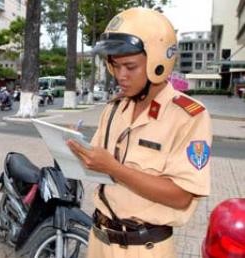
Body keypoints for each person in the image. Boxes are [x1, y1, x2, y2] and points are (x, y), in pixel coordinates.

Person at [67, 7, 212, 258]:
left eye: (130, 66)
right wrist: (76, 148)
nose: (120, 76)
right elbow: (99, 165)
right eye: (115, 65)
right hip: (99, 240)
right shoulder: (114, 109)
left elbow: (181, 197)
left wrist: (115, 168)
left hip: (143, 248)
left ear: (159, 62)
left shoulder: (188, 116)